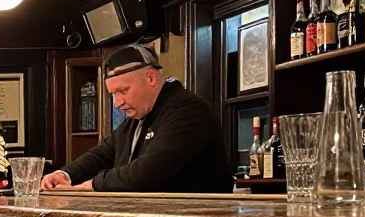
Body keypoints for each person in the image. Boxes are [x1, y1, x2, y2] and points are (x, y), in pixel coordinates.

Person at [41, 43, 231, 193]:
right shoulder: (139, 116)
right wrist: (65, 174)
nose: (117, 103)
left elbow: (146, 173)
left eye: (123, 91)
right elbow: (103, 153)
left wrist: (92, 185)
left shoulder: (188, 111)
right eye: (113, 94)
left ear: (151, 79)